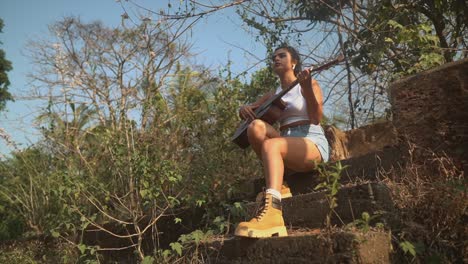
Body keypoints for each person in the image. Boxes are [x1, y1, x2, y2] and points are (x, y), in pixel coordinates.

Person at [234, 44, 330, 238]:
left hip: (309, 140)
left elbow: (316, 118)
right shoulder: (274, 94)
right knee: (256, 127)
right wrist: (243, 109)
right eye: (274, 57)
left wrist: (306, 88)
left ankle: (273, 213)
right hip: (284, 142)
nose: (276, 59)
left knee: (271, 145)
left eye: (282, 55)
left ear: (293, 62)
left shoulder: (310, 83)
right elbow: (250, 110)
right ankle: (282, 186)